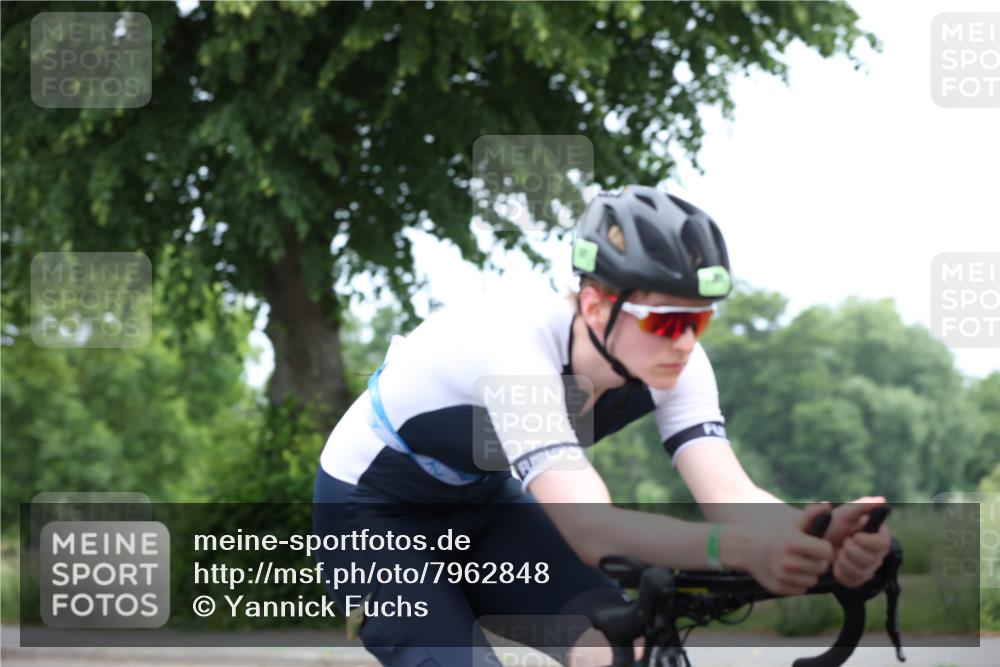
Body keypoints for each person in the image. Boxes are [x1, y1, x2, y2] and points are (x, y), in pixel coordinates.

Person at [312, 186, 892, 666]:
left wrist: (812, 537)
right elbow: (590, 528)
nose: (686, 341)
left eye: (700, 319)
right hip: (373, 514)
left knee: (628, 650)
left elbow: (731, 494)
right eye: (666, 322)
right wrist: (737, 549)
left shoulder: (678, 362)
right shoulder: (514, 350)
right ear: (594, 306)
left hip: (486, 504)